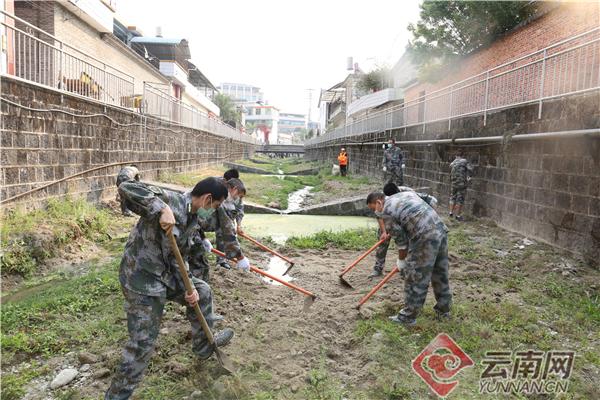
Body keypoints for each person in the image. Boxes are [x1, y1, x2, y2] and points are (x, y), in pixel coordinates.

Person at [105, 177, 249, 400]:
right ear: (207, 199)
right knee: (142, 345)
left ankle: (203, 347)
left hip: (166, 275)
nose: (213, 213)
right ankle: (116, 397)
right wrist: (160, 208)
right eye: (216, 207)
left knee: (203, 292)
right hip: (141, 278)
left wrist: (188, 287)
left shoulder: (193, 217)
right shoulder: (169, 200)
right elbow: (126, 187)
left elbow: (178, 258)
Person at [366, 190, 452, 326]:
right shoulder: (405, 194)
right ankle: (444, 310)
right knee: (440, 272)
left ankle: (408, 317)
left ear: (378, 202)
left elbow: (402, 244)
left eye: (374, 209)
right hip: (440, 229)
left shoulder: (387, 210)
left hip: (423, 237)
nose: (376, 213)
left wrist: (401, 261)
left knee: (415, 276)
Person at [369, 182, 438, 278]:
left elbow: (414, 209)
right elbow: (379, 216)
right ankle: (378, 268)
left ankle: (406, 268)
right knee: (382, 240)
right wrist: (384, 232)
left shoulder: (407, 192)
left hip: (415, 215)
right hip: (395, 215)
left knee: (411, 242)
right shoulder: (382, 197)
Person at [449, 150, 474, 221]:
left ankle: (450, 213)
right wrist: (469, 176)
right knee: (460, 199)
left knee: (452, 197)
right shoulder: (464, 161)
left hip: (453, 183)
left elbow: (450, 168)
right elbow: (471, 169)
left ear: (456, 156)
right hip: (462, 184)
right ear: (462, 155)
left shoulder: (453, 162)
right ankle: (457, 216)